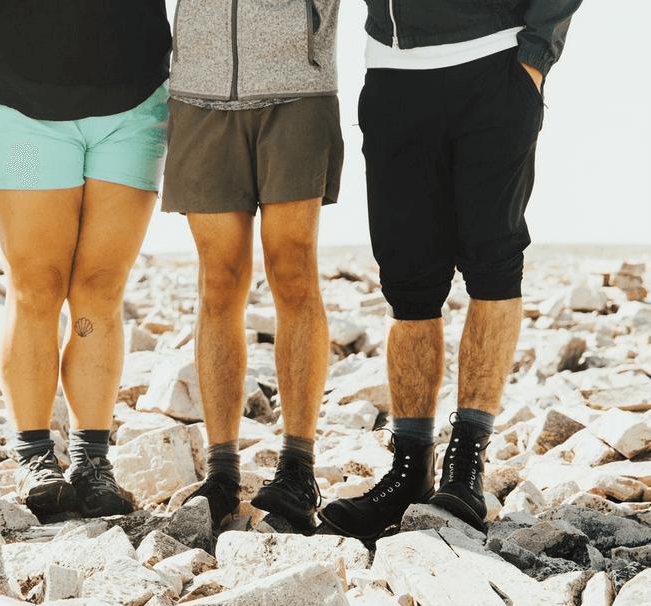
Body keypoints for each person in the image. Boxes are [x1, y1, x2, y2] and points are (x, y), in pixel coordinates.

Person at [318, 0, 583, 541]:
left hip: (494, 63)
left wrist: (534, 60)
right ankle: (409, 470)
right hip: (392, 74)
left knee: (493, 266)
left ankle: (465, 467)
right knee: (408, 284)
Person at [0, 1, 171, 519]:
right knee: (36, 284)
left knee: (102, 288)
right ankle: (34, 455)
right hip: (22, 108)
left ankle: (92, 460)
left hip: (134, 107)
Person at [163, 0, 344, 532]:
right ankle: (221, 472)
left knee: (293, 269)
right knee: (218, 280)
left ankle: (298, 466)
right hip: (199, 90)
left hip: (298, 86)